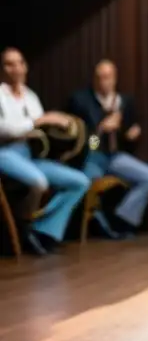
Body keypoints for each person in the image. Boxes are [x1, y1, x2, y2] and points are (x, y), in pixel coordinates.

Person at [0, 47, 90, 254]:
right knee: (39, 180)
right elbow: (7, 129)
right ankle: (25, 228)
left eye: (19, 63)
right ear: (3, 69)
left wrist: (64, 125)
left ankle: (43, 230)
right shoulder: (0, 95)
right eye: (9, 64)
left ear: (25, 67)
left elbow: (43, 132)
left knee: (80, 181)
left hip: (30, 155)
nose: (16, 68)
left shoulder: (30, 96)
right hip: (5, 153)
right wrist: (40, 121)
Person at [68, 60, 148, 238]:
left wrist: (132, 135)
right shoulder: (81, 101)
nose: (103, 81)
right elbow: (87, 143)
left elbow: (129, 138)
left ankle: (123, 219)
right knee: (85, 186)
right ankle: (102, 227)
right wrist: (101, 129)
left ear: (115, 79)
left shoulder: (125, 102)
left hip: (116, 156)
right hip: (92, 156)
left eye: (107, 77)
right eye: (100, 77)